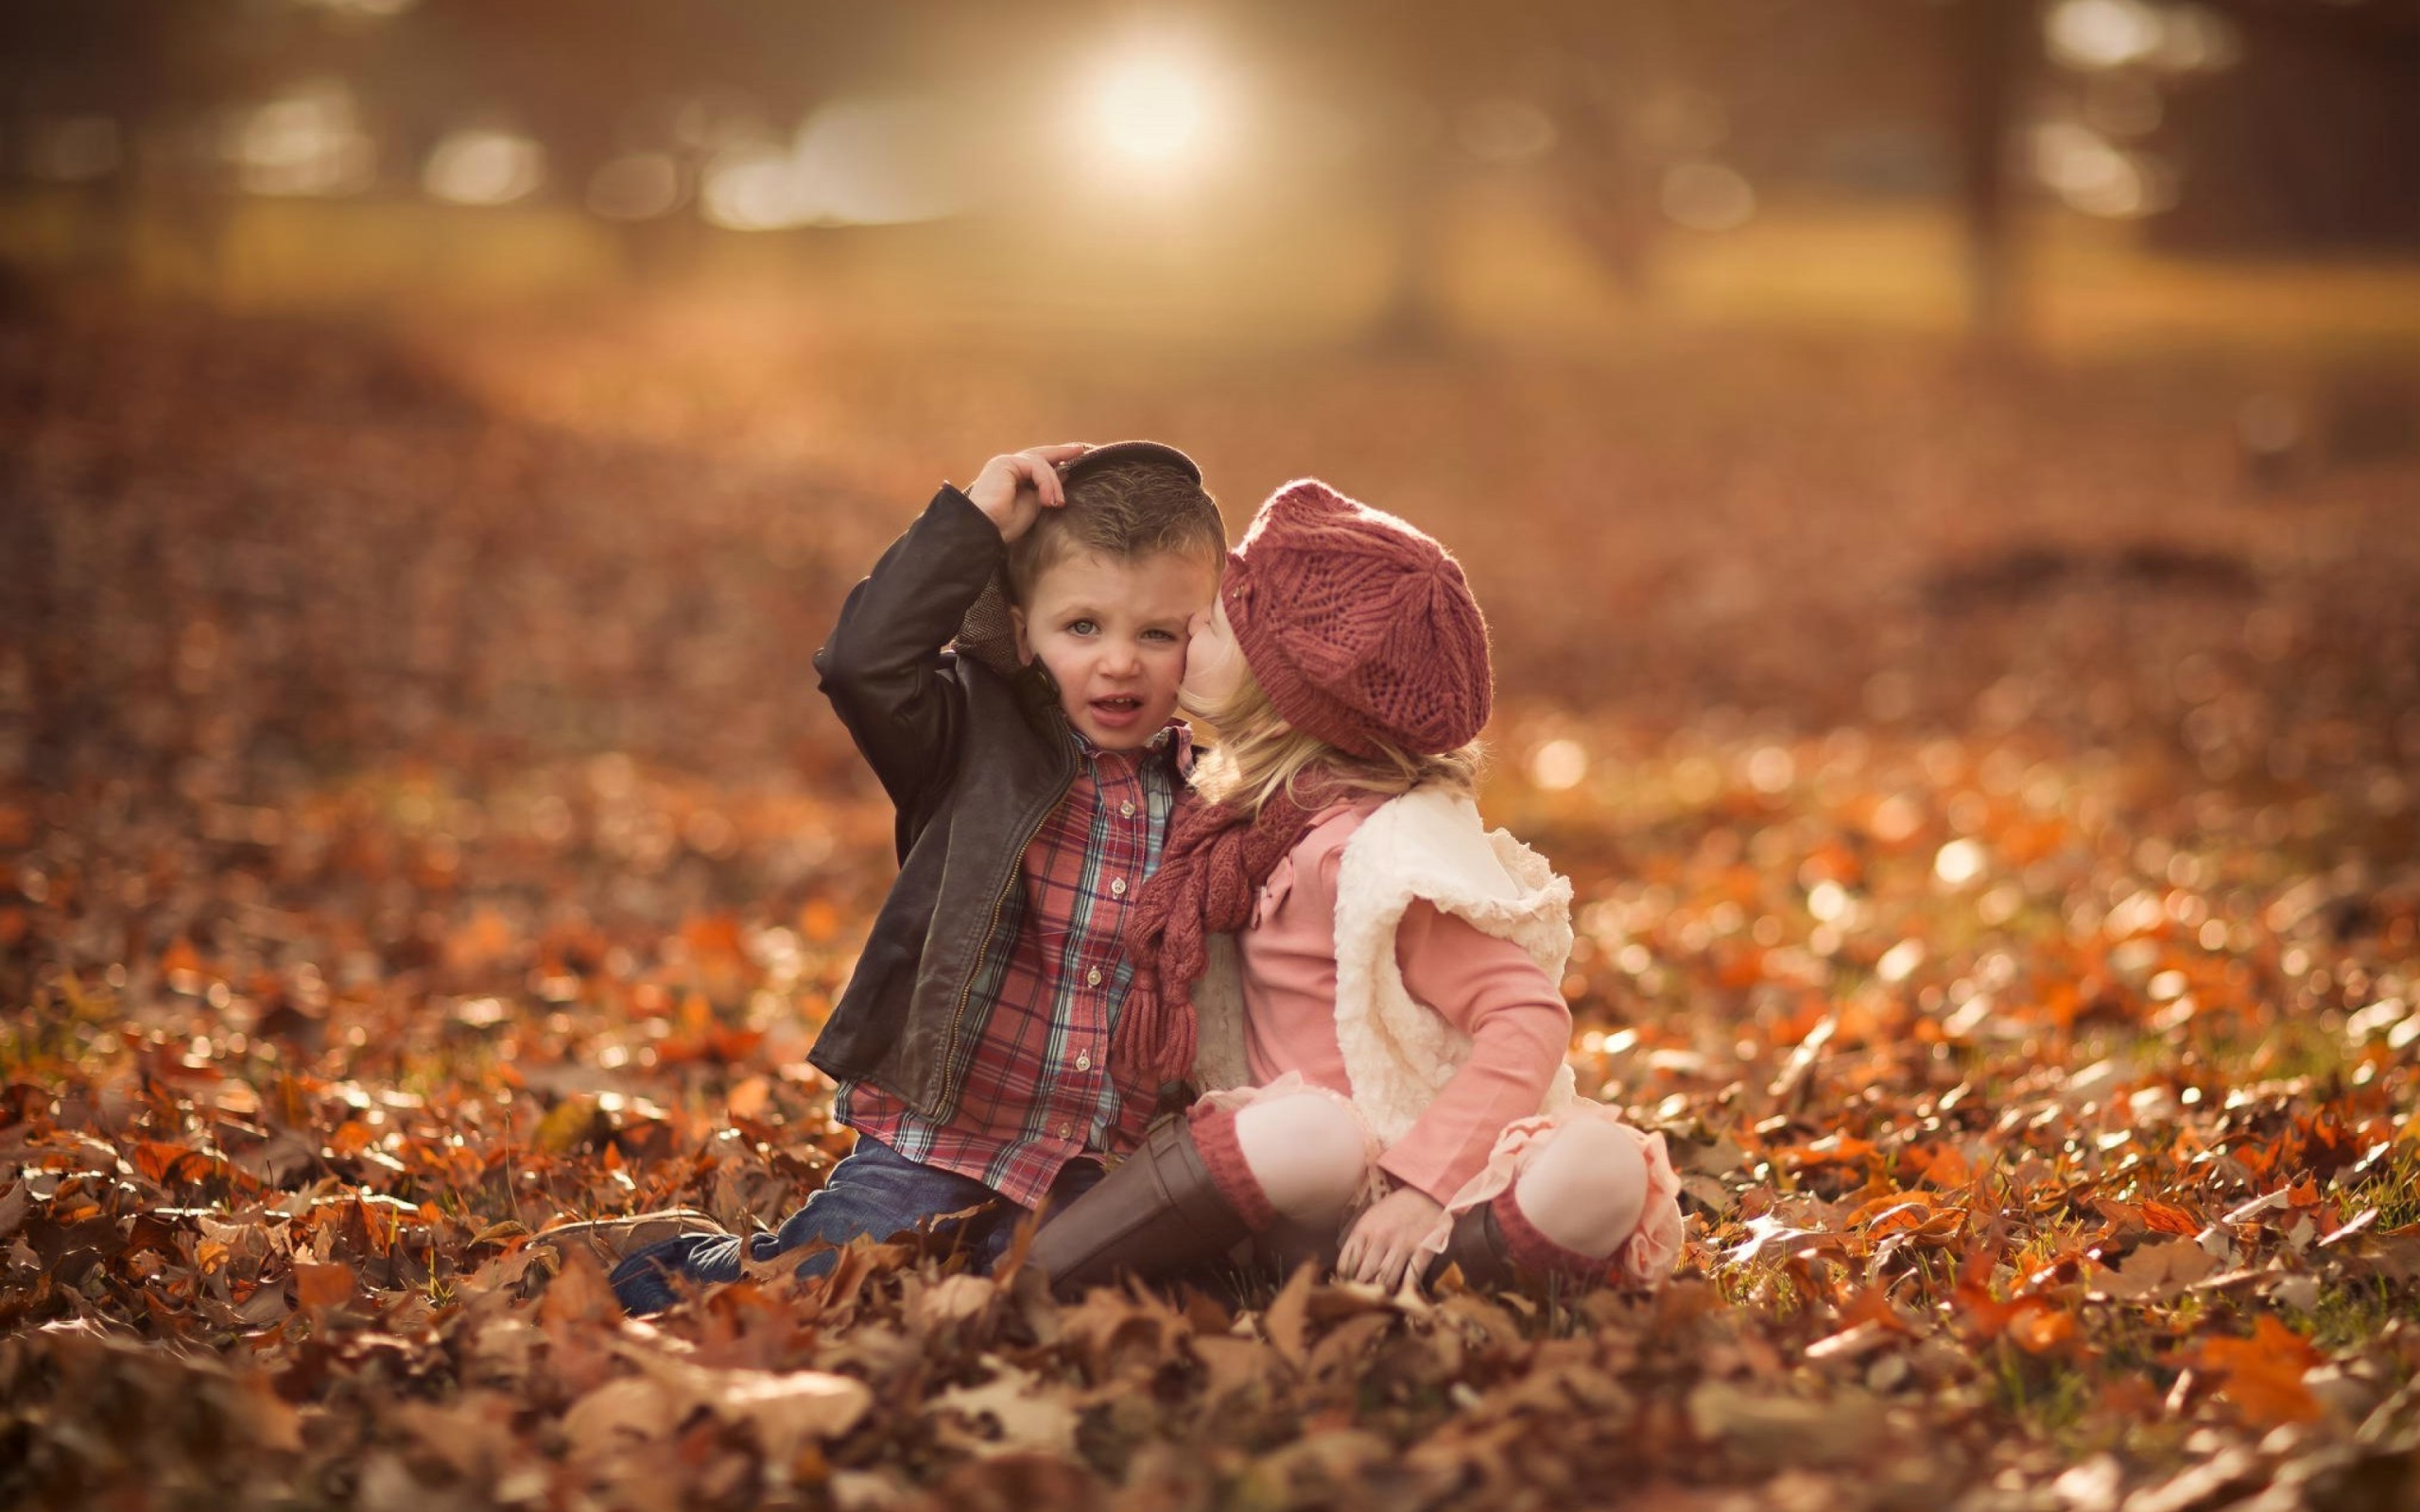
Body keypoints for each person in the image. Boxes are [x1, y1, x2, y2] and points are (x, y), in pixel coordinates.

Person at [604, 440, 1227, 1314]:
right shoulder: (971, 735)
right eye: (1082, 626)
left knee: (1053, 1299)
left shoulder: (1215, 793)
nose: (1118, 661)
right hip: (939, 1139)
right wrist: (971, 525)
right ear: (1021, 627)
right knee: (824, 1284)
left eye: (1156, 634)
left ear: (1202, 641)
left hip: (1094, 1159)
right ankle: (666, 1268)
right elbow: (862, 664)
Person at [1028, 478, 1685, 1297]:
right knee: (1311, 1136)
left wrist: (1420, 1189)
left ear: (1286, 692)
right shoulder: (1239, 824)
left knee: (1600, 1165)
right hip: (1297, 1178)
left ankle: (1428, 1274)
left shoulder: (1372, 856)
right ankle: (1042, 1276)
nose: (1193, 622)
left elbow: (1525, 1017)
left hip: (1420, 1172)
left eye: (1220, 620)